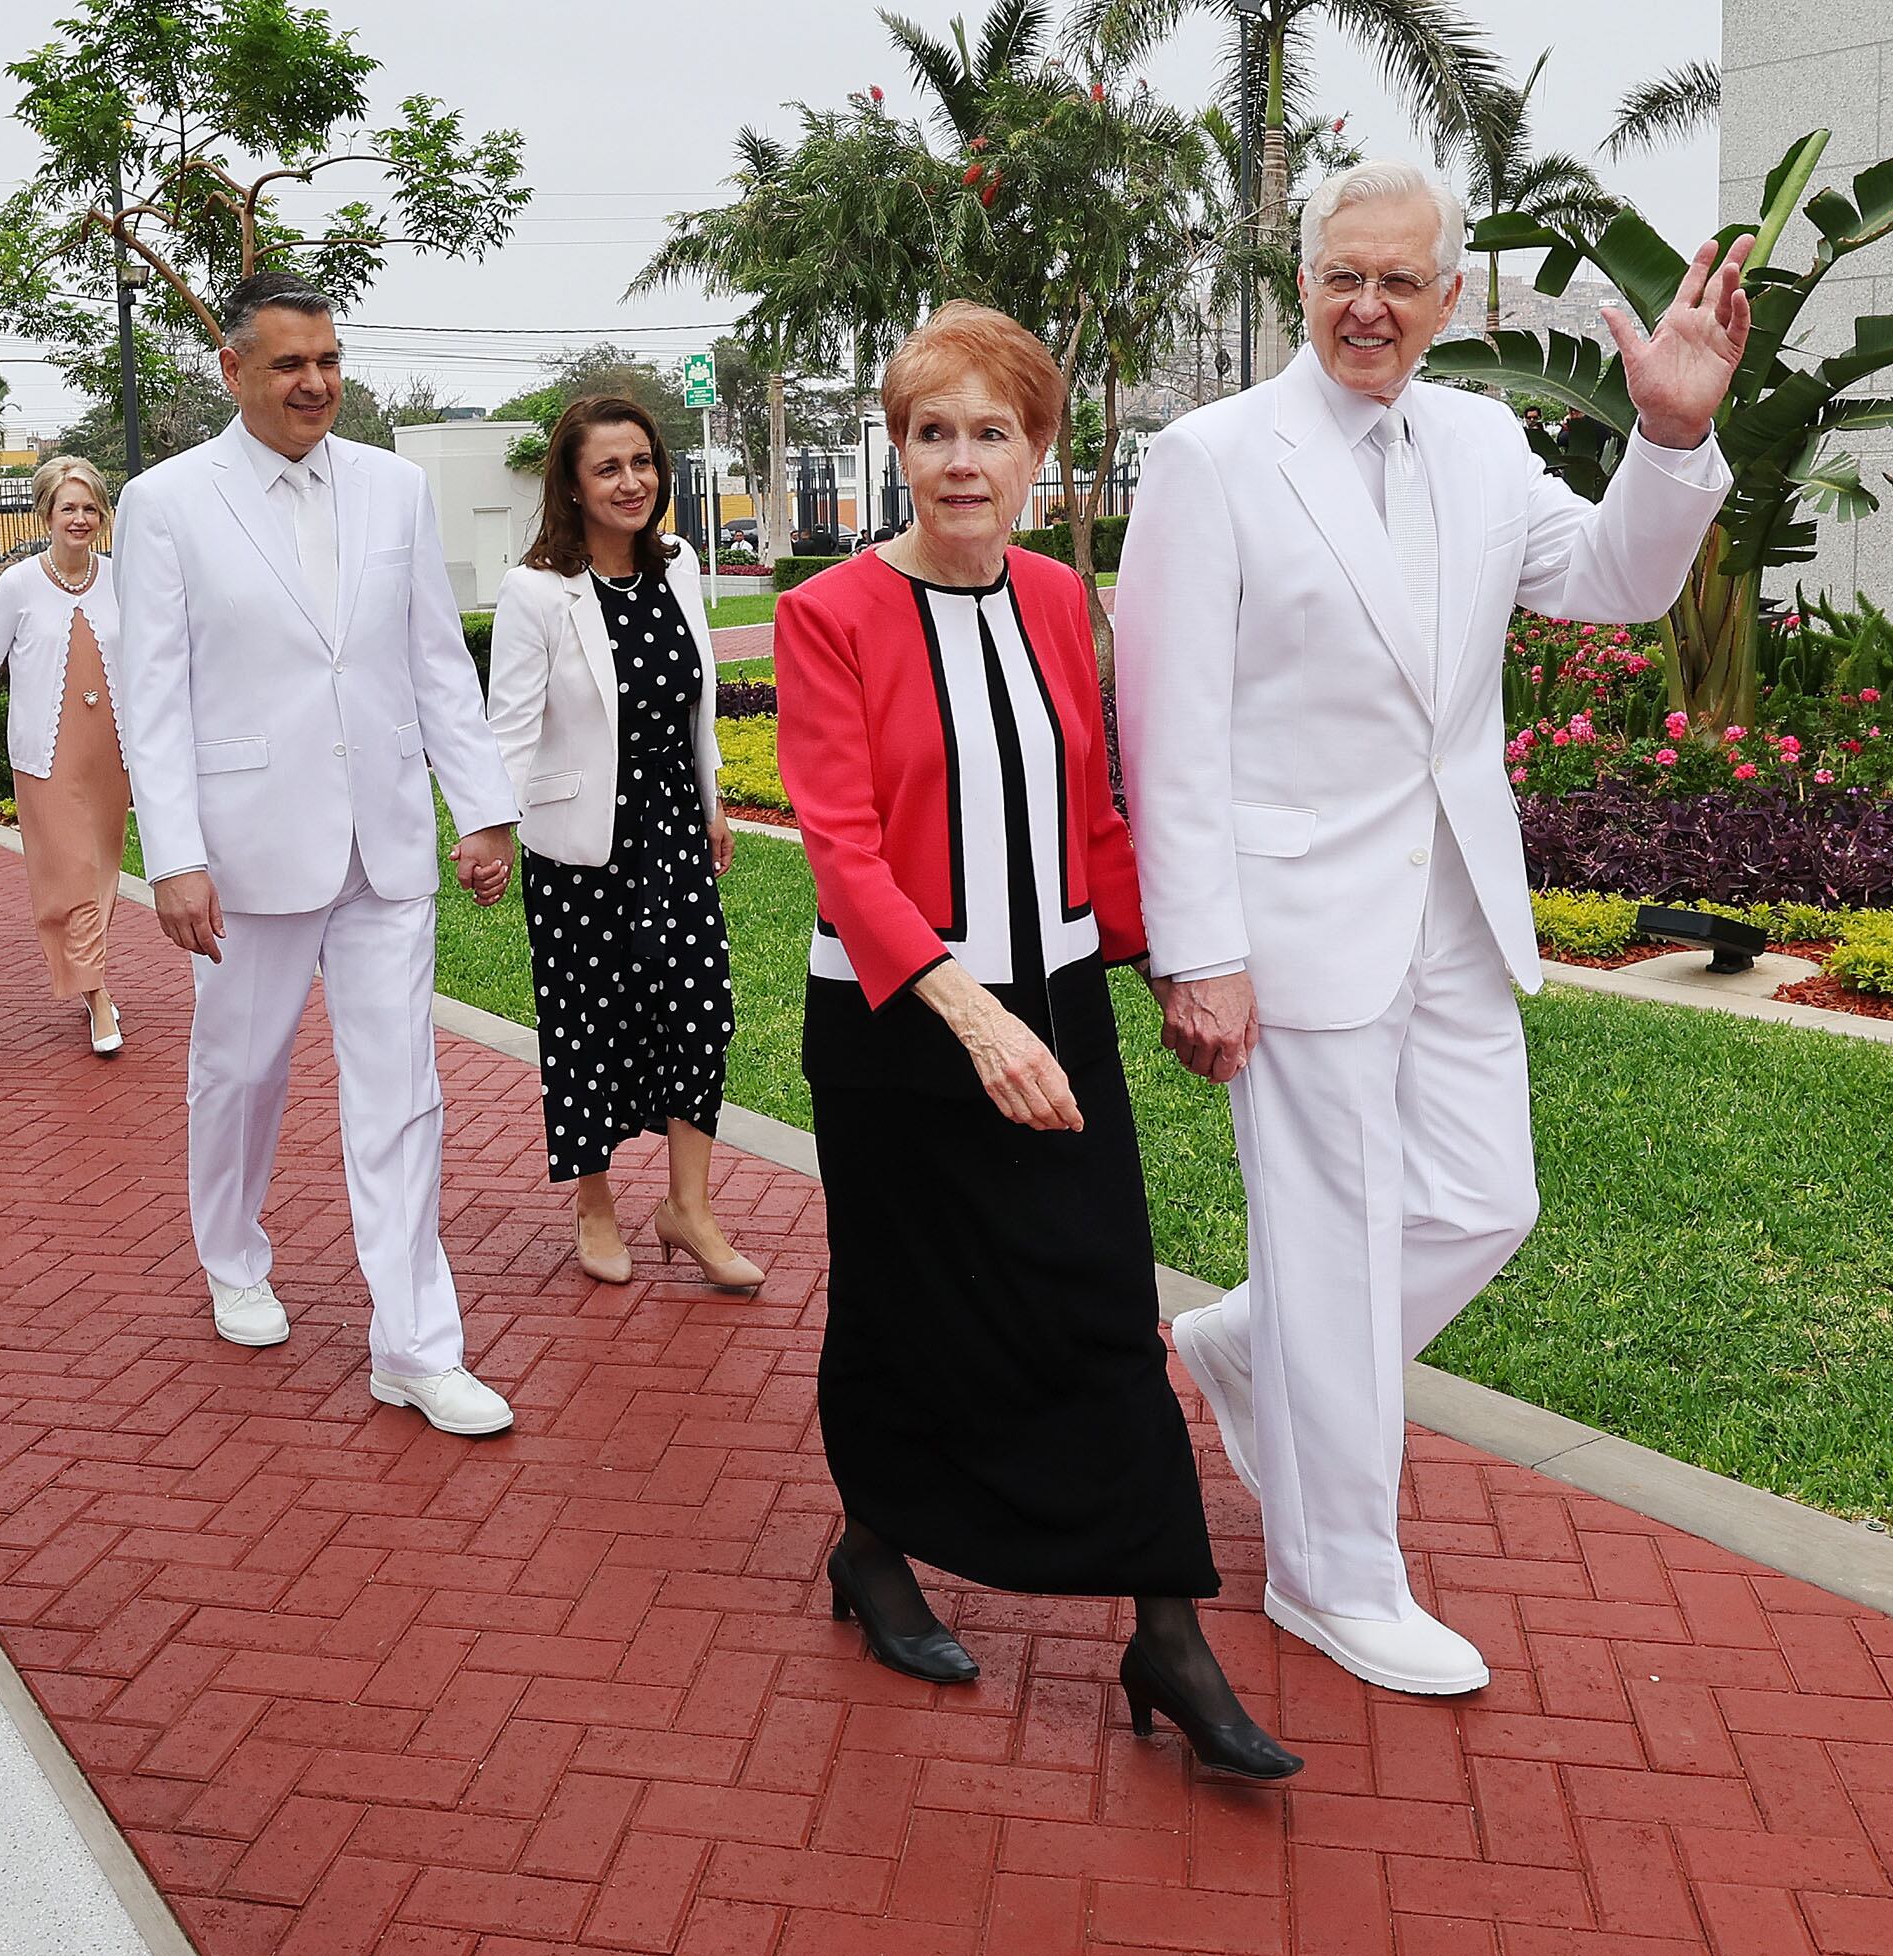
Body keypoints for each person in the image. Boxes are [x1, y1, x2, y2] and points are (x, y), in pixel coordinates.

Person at [1114, 161, 1754, 1697]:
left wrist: (1671, 437)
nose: (1369, 306)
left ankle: (1251, 1346)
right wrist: (1198, 950)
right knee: (1332, 1244)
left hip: (1456, 899)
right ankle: (1333, 1578)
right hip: (1291, 919)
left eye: (1401, 281)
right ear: (1303, 280)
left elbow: (1610, 579)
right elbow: (1168, 726)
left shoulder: (1479, 439)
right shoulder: (1213, 459)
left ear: (1449, 296)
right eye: (1344, 275)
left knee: (1482, 1200)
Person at [775, 302, 1296, 1781]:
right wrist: (971, 1020)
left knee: (1101, 1304)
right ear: (897, 449)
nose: (961, 461)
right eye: (932, 432)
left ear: (1036, 452)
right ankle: (875, 1548)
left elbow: (1096, 816)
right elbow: (843, 852)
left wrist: (1172, 970)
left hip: (1056, 1005)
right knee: (904, 1307)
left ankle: (1166, 1632)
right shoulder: (831, 615)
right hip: (901, 1027)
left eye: (990, 433)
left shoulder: (1064, 600)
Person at [111, 271, 523, 1438]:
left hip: (383, 844)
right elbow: (154, 696)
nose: (315, 382)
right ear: (233, 370)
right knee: (241, 1074)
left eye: (329, 360)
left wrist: (480, 805)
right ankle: (233, 1255)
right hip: (247, 851)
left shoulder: (395, 488)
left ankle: (415, 1345)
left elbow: (434, 659)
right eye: (290, 362)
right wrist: (173, 855)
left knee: (402, 1094)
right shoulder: (166, 502)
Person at [486, 397, 758, 1291]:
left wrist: (713, 803)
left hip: (673, 830)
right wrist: (489, 828)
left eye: (642, 462)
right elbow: (509, 727)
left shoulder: (677, 564)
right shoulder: (536, 591)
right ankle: (594, 1204)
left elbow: (695, 704)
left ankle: (689, 1209)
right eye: (608, 467)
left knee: (700, 1011)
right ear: (572, 484)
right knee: (586, 1022)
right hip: (579, 848)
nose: (631, 482)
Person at [0, 456, 129, 1055]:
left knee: (103, 868)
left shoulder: (121, 578)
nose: (80, 518)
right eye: (69, 507)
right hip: (46, 754)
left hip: (111, 750)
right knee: (71, 872)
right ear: (46, 514)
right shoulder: (18, 584)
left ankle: (89, 975)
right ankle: (97, 995)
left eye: (90, 508)